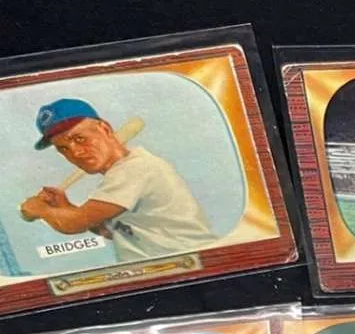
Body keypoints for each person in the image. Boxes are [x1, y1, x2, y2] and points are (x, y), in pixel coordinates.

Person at [18, 98, 216, 263]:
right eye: (63, 148)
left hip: (192, 264)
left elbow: (76, 223)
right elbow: (115, 232)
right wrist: (65, 207)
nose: (75, 153)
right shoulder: (122, 173)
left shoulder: (134, 169)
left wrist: (41, 210)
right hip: (170, 265)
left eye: (79, 138)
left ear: (105, 129)